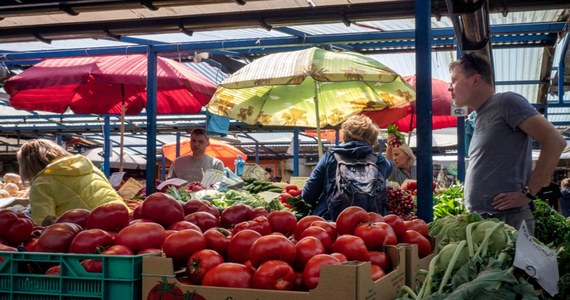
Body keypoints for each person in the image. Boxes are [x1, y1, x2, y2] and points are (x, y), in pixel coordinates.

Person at [449, 52, 566, 234]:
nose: (450, 87)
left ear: (475, 80)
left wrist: (529, 193)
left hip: (508, 220)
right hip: (487, 221)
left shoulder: (507, 102)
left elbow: (555, 141)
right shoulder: (480, 116)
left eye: (454, 80)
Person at [302, 115, 392, 220]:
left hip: (332, 222)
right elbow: (391, 167)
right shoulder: (380, 161)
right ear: (373, 139)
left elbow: (308, 195)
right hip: (371, 223)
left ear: (344, 135)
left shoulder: (330, 157)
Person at [17, 139, 126, 225]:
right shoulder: (88, 166)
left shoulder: (42, 183)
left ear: (27, 166)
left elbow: (45, 222)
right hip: (125, 218)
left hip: (89, 230)